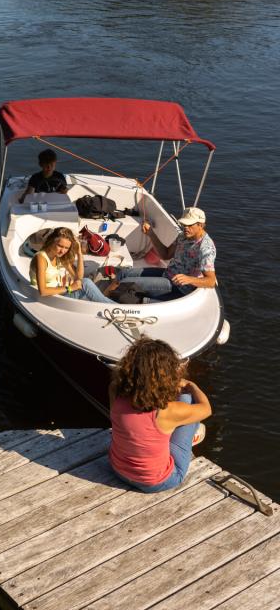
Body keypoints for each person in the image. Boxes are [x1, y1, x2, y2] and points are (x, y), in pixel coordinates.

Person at [109, 336, 211, 493]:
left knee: (162, 423)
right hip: (158, 481)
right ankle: (190, 435)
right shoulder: (167, 411)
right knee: (187, 398)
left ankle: (166, 433)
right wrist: (192, 385)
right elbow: (206, 409)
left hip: (118, 471)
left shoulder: (116, 391)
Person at [112, 206, 216, 302]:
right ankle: (105, 296)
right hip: (167, 273)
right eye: (184, 224)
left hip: (179, 287)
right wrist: (151, 234)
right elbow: (166, 255)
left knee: (125, 283)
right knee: (123, 273)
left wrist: (188, 279)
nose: (185, 228)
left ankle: (104, 301)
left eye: (189, 225)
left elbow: (211, 281)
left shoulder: (206, 248)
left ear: (201, 225)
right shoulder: (182, 236)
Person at [30, 227, 114, 304]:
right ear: (52, 241)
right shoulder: (41, 258)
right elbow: (43, 291)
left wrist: (79, 253)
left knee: (86, 284)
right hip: (47, 300)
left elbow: (78, 279)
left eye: (66, 248)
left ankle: (115, 307)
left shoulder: (59, 257)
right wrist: (70, 288)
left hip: (58, 295)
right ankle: (118, 308)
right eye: (60, 246)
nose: (62, 251)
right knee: (87, 283)